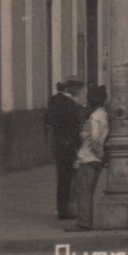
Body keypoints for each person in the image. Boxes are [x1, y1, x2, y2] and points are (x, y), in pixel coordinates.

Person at [44, 77, 85, 220]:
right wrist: (79, 147)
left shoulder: (54, 100)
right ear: (74, 90)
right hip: (69, 145)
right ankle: (66, 210)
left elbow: (49, 120)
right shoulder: (71, 104)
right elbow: (74, 128)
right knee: (69, 178)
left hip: (58, 143)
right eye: (80, 90)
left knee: (62, 178)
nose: (80, 93)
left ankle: (61, 208)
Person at [70, 90, 109, 229]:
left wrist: (99, 154)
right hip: (95, 160)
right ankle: (85, 221)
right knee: (87, 192)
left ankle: (84, 223)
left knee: (83, 193)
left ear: (93, 101)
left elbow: (95, 139)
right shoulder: (104, 115)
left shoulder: (94, 117)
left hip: (88, 158)